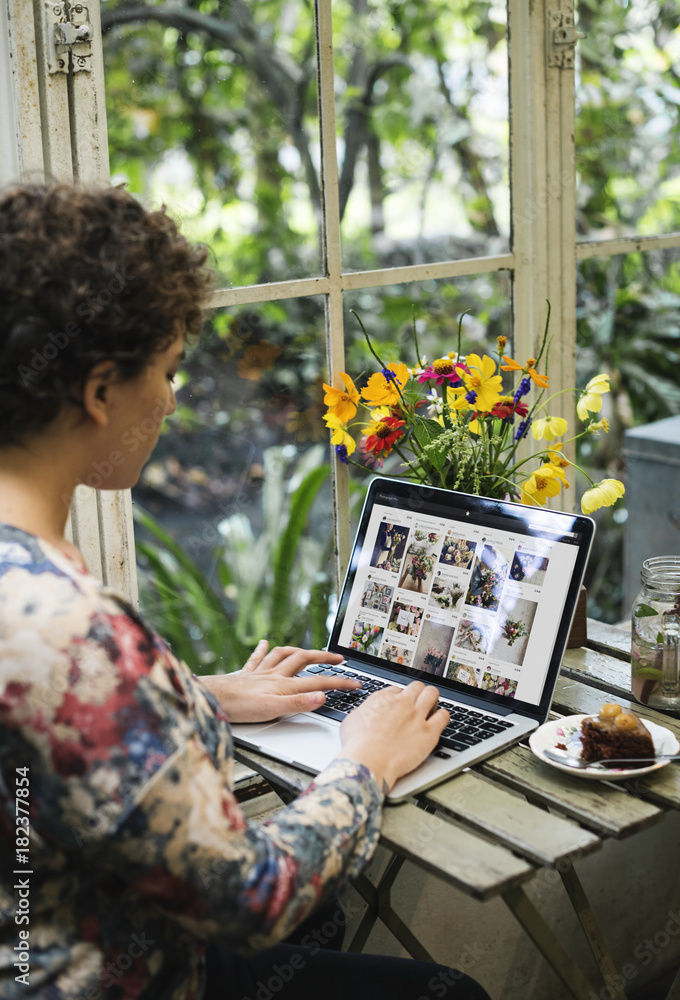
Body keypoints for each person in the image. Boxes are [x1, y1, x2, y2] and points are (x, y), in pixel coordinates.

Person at [0, 183, 490, 1000]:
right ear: (98, 391)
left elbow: (40, 719)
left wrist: (202, 694)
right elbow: (252, 896)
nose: (171, 398)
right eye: (167, 370)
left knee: (326, 924)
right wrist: (365, 761)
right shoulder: (76, 631)